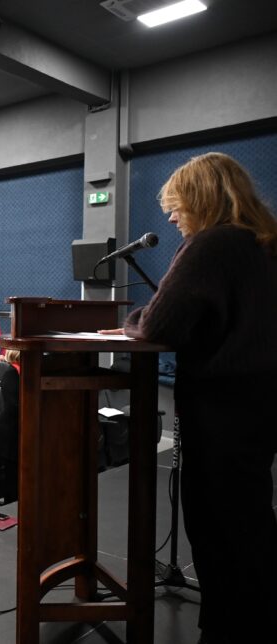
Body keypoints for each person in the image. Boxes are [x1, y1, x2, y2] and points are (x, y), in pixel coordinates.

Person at [107, 152, 277, 643]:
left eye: (178, 207)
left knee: (218, 525)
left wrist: (132, 320)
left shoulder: (213, 244)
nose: (172, 217)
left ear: (202, 200)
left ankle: (229, 627)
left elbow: (159, 323)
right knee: (251, 518)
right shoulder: (264, 243)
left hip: (221, 409)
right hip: (261, 404)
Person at [0, 350, 20, 504]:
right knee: (13, 479)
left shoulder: (24, 372)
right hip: (10, 432)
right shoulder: (11, 374)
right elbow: (15, 405)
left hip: (19, 430)